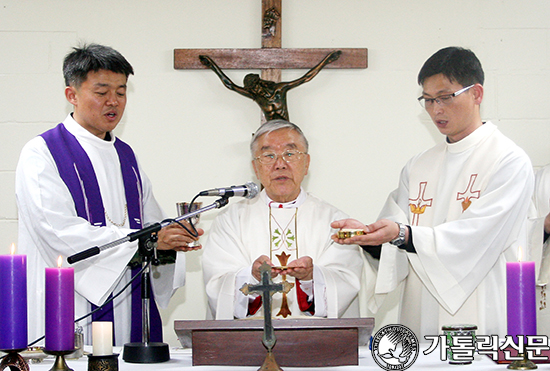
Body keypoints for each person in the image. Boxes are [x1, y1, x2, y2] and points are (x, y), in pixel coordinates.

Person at [332, 47, 534, 338]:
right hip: (420, 311)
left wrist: (402, 234)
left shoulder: (508, 161)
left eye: (444, 97)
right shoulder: (418, 166)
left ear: (477, 94)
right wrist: (366, 237)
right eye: (427, 100)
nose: (435, 109)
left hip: (480, 309)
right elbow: (395, 243)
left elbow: (476, 238)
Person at [16, 43, 203, 346]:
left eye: (121, 91)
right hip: (69, 307)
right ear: (71, 95)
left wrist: (170, 239)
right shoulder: (42, 153)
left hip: (127, 303)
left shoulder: (126, 157)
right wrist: (148, 241)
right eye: (102, 92)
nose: (113, 101)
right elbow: (58, 233)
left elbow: (151, 225)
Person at [202, 119, 363, 320]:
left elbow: (346, 281)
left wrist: (310, 279)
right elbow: (218, 284)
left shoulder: (334, 221)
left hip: (316, 344)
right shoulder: (230, 221)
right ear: (255, 167)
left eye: (290, 154)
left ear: (307, 163)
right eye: (268, 155)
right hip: (247, 345)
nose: (280, 164)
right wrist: (252, 276)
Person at [199, 50, 341, 121]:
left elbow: (305, 78)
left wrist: (327, 60)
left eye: (255, 86)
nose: (255, 90)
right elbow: (230, 85)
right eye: (252, 89)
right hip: (269, 133)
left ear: (259, 82)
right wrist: (212, 65)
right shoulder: (256, 96)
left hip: (285, 129)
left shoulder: (279, 89)